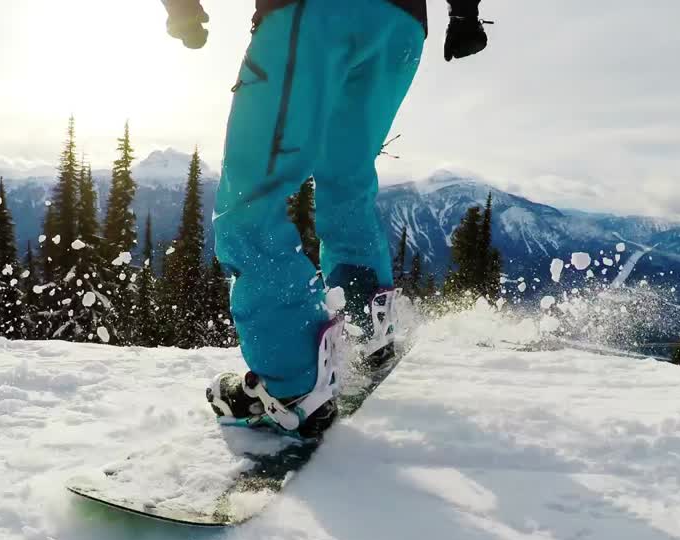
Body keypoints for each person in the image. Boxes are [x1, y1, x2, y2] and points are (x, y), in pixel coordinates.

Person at [163, 0, 490, 437]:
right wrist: (464, 12)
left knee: (250, 198)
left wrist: (182, 9)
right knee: (347, 180)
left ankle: (291, 385)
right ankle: (366, 324)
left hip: (311, 12)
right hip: (402, 25)